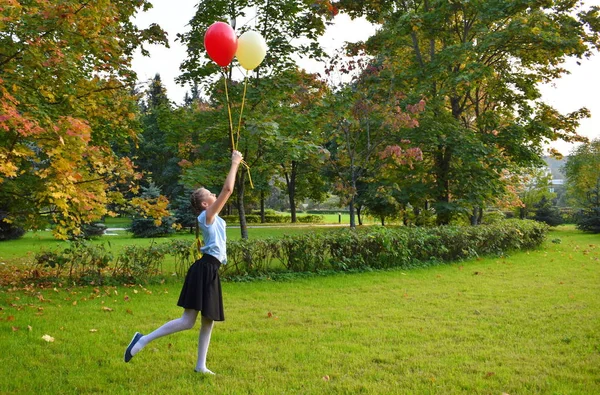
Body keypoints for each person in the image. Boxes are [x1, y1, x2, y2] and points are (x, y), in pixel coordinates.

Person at [124, 150, 243, 374]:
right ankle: (142, 340)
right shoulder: (206, 217)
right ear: (206, 204)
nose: (214, 194)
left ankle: (200, 366)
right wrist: (235, 163)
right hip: (205, 269)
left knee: (208, 320)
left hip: (210, 269)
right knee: (188, 321)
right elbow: (228, 189)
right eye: (210, 194)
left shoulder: (212, 217)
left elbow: (224, 192)